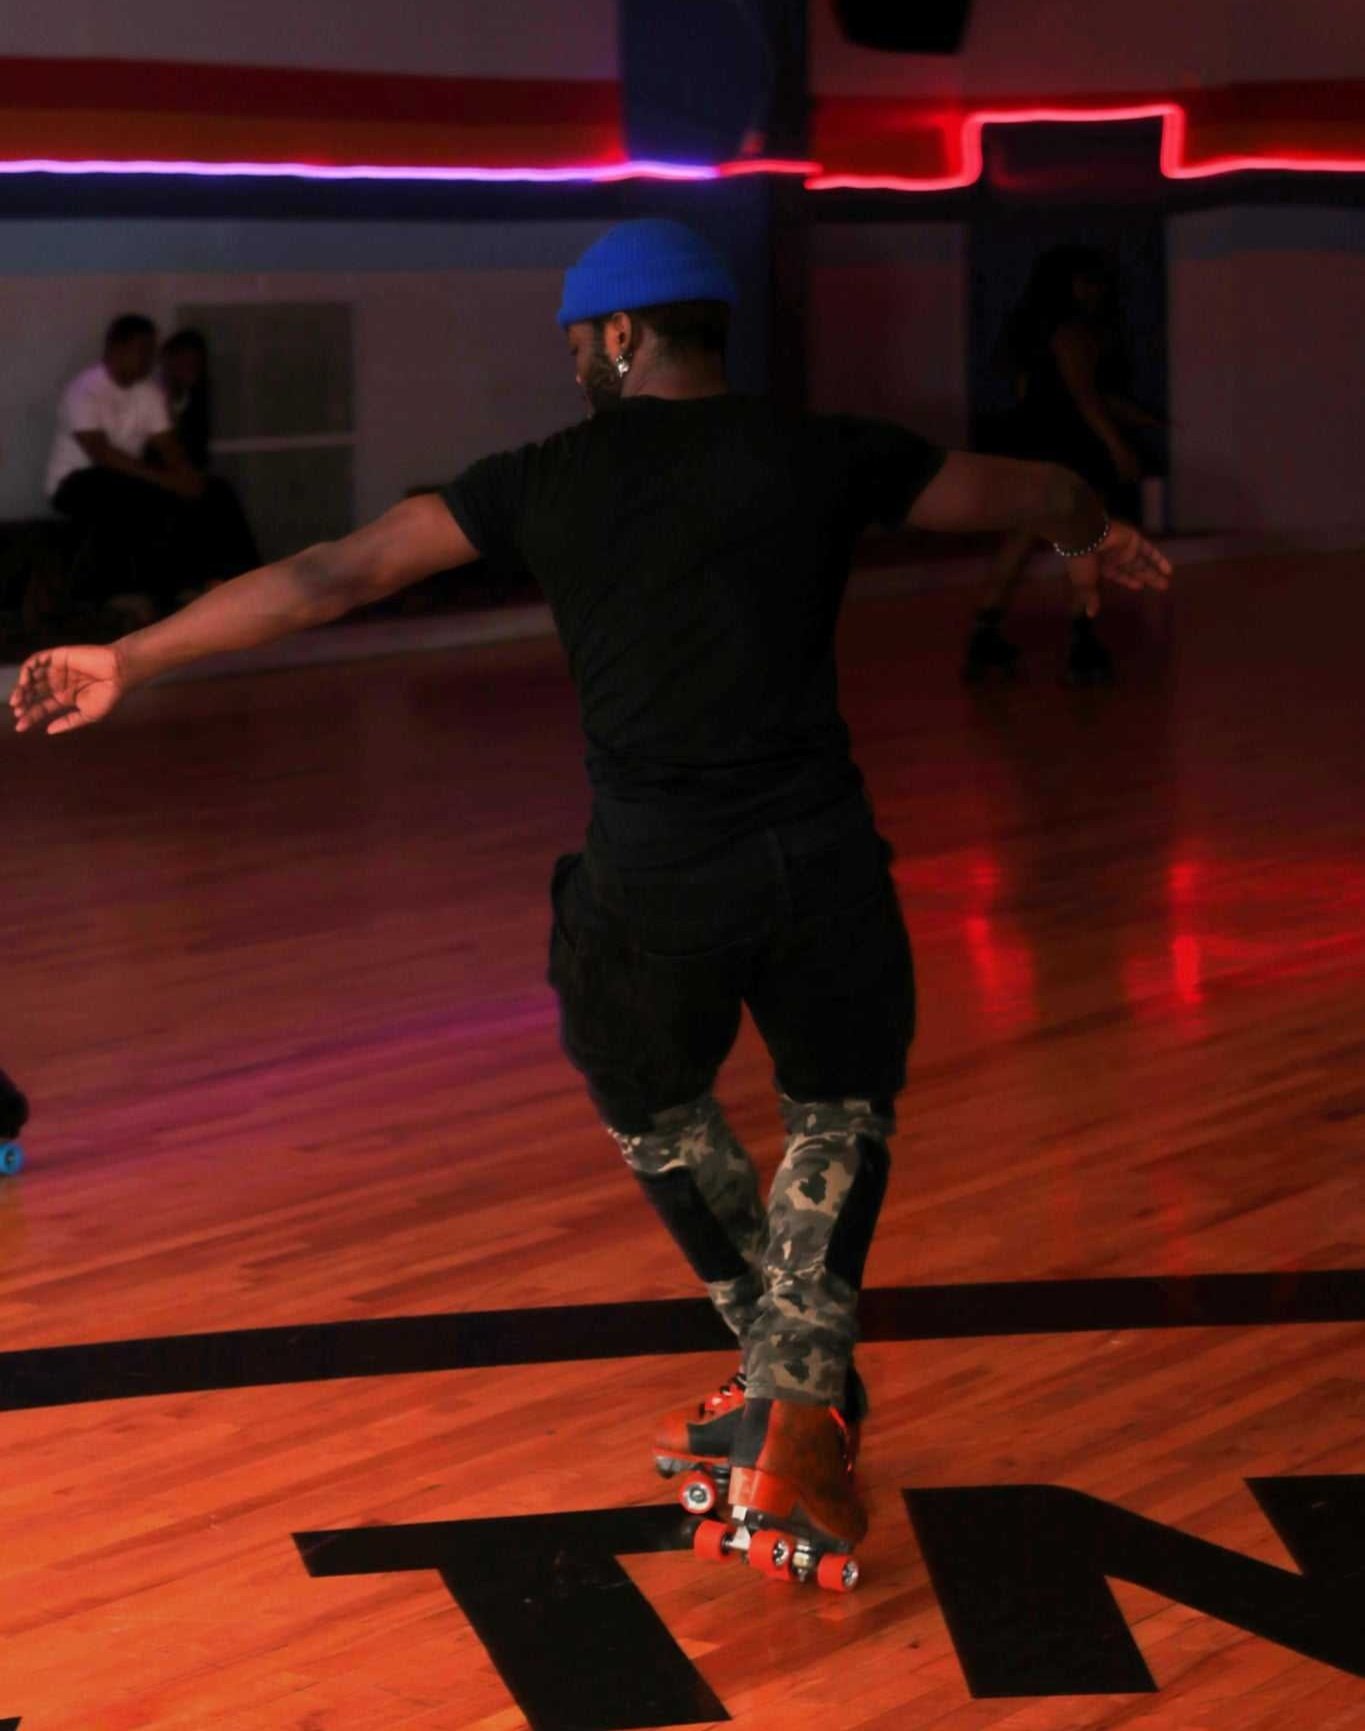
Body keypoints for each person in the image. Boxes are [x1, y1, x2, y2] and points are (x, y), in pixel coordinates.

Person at [11, 221, 1170, 1581]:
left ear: (620, 336)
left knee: (654, 1102)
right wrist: (1093, 533)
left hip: (657, 879)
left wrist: (134, 657)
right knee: (838, 1113)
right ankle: (797, 1393)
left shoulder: (548, 478)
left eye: (578, 345)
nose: (574, 368)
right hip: (822, 861)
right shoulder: (827, 449)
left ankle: (792, 1396)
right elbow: (1038, 485)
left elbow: (333, 575)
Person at [964, 246, 1166, 686]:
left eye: (1096, 282)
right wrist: (1118, 446)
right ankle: (1082, 642)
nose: (1094, 290)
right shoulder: (1074, 332)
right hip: (1067, 449)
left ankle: (987, 635)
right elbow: (1086, 396)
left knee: (1026, 538)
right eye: (1086, 281)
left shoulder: (1041, 331)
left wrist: (1137, 422)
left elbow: (1058, 393)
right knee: (1081, 537)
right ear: (1067, 285)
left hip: (1041, 444)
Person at [46, 314, 207, 624]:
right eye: (142, 350)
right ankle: (119, 591)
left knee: (207, 492)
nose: (148, 359)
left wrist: (187, 477)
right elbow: (101, 453)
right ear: (115, 349)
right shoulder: (85, 390)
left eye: (151, 351)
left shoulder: (149, 393)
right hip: (75, 481)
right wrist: (166, 481)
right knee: (121, 490)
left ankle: (190, 584)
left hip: (127, 479)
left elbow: (168, 446)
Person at [157, 328, 262, 577]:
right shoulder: (150, 398)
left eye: (194, 364)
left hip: (185, 474)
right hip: (158, 476)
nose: (188, 370)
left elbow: (196, 450)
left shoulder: (195, 399)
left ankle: (240, 574)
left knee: (219, 496)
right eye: (182, 363)